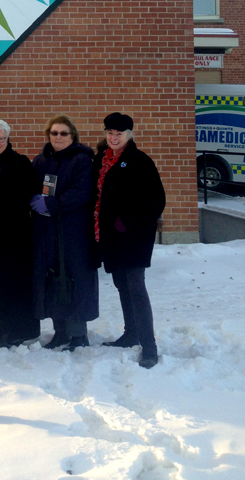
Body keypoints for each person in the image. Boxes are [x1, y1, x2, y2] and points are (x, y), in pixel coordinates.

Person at [93, 112, 165, 369]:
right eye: (110, 133)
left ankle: (150, 346)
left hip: (134, 237)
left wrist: (126, 221)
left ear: (129, 134)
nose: (114, 138)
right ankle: (131, 333)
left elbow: (156, 200)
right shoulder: (102, 159)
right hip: (112, 237)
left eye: (119, 134)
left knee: (136, 287)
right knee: (121, 283)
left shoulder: (139, 160)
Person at [31, 115, 98, 351]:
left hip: (73, 232)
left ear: (73, 136)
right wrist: (33, 200)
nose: (58, 137)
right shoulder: (40, 161)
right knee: (51, 278)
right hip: (47, 232)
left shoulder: (81, 161)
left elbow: (81, 192)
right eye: (54, 133)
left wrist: (52, 204)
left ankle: (78, 334)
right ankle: (60, 332)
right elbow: (30, 187)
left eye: (63, 133)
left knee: (75, 278)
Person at [0, 119, 41, 348]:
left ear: (7, 139)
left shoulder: (21, 162)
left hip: (17, 233)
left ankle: (19, 330)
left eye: (0, 138)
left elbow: (33, 192)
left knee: (17, 282)